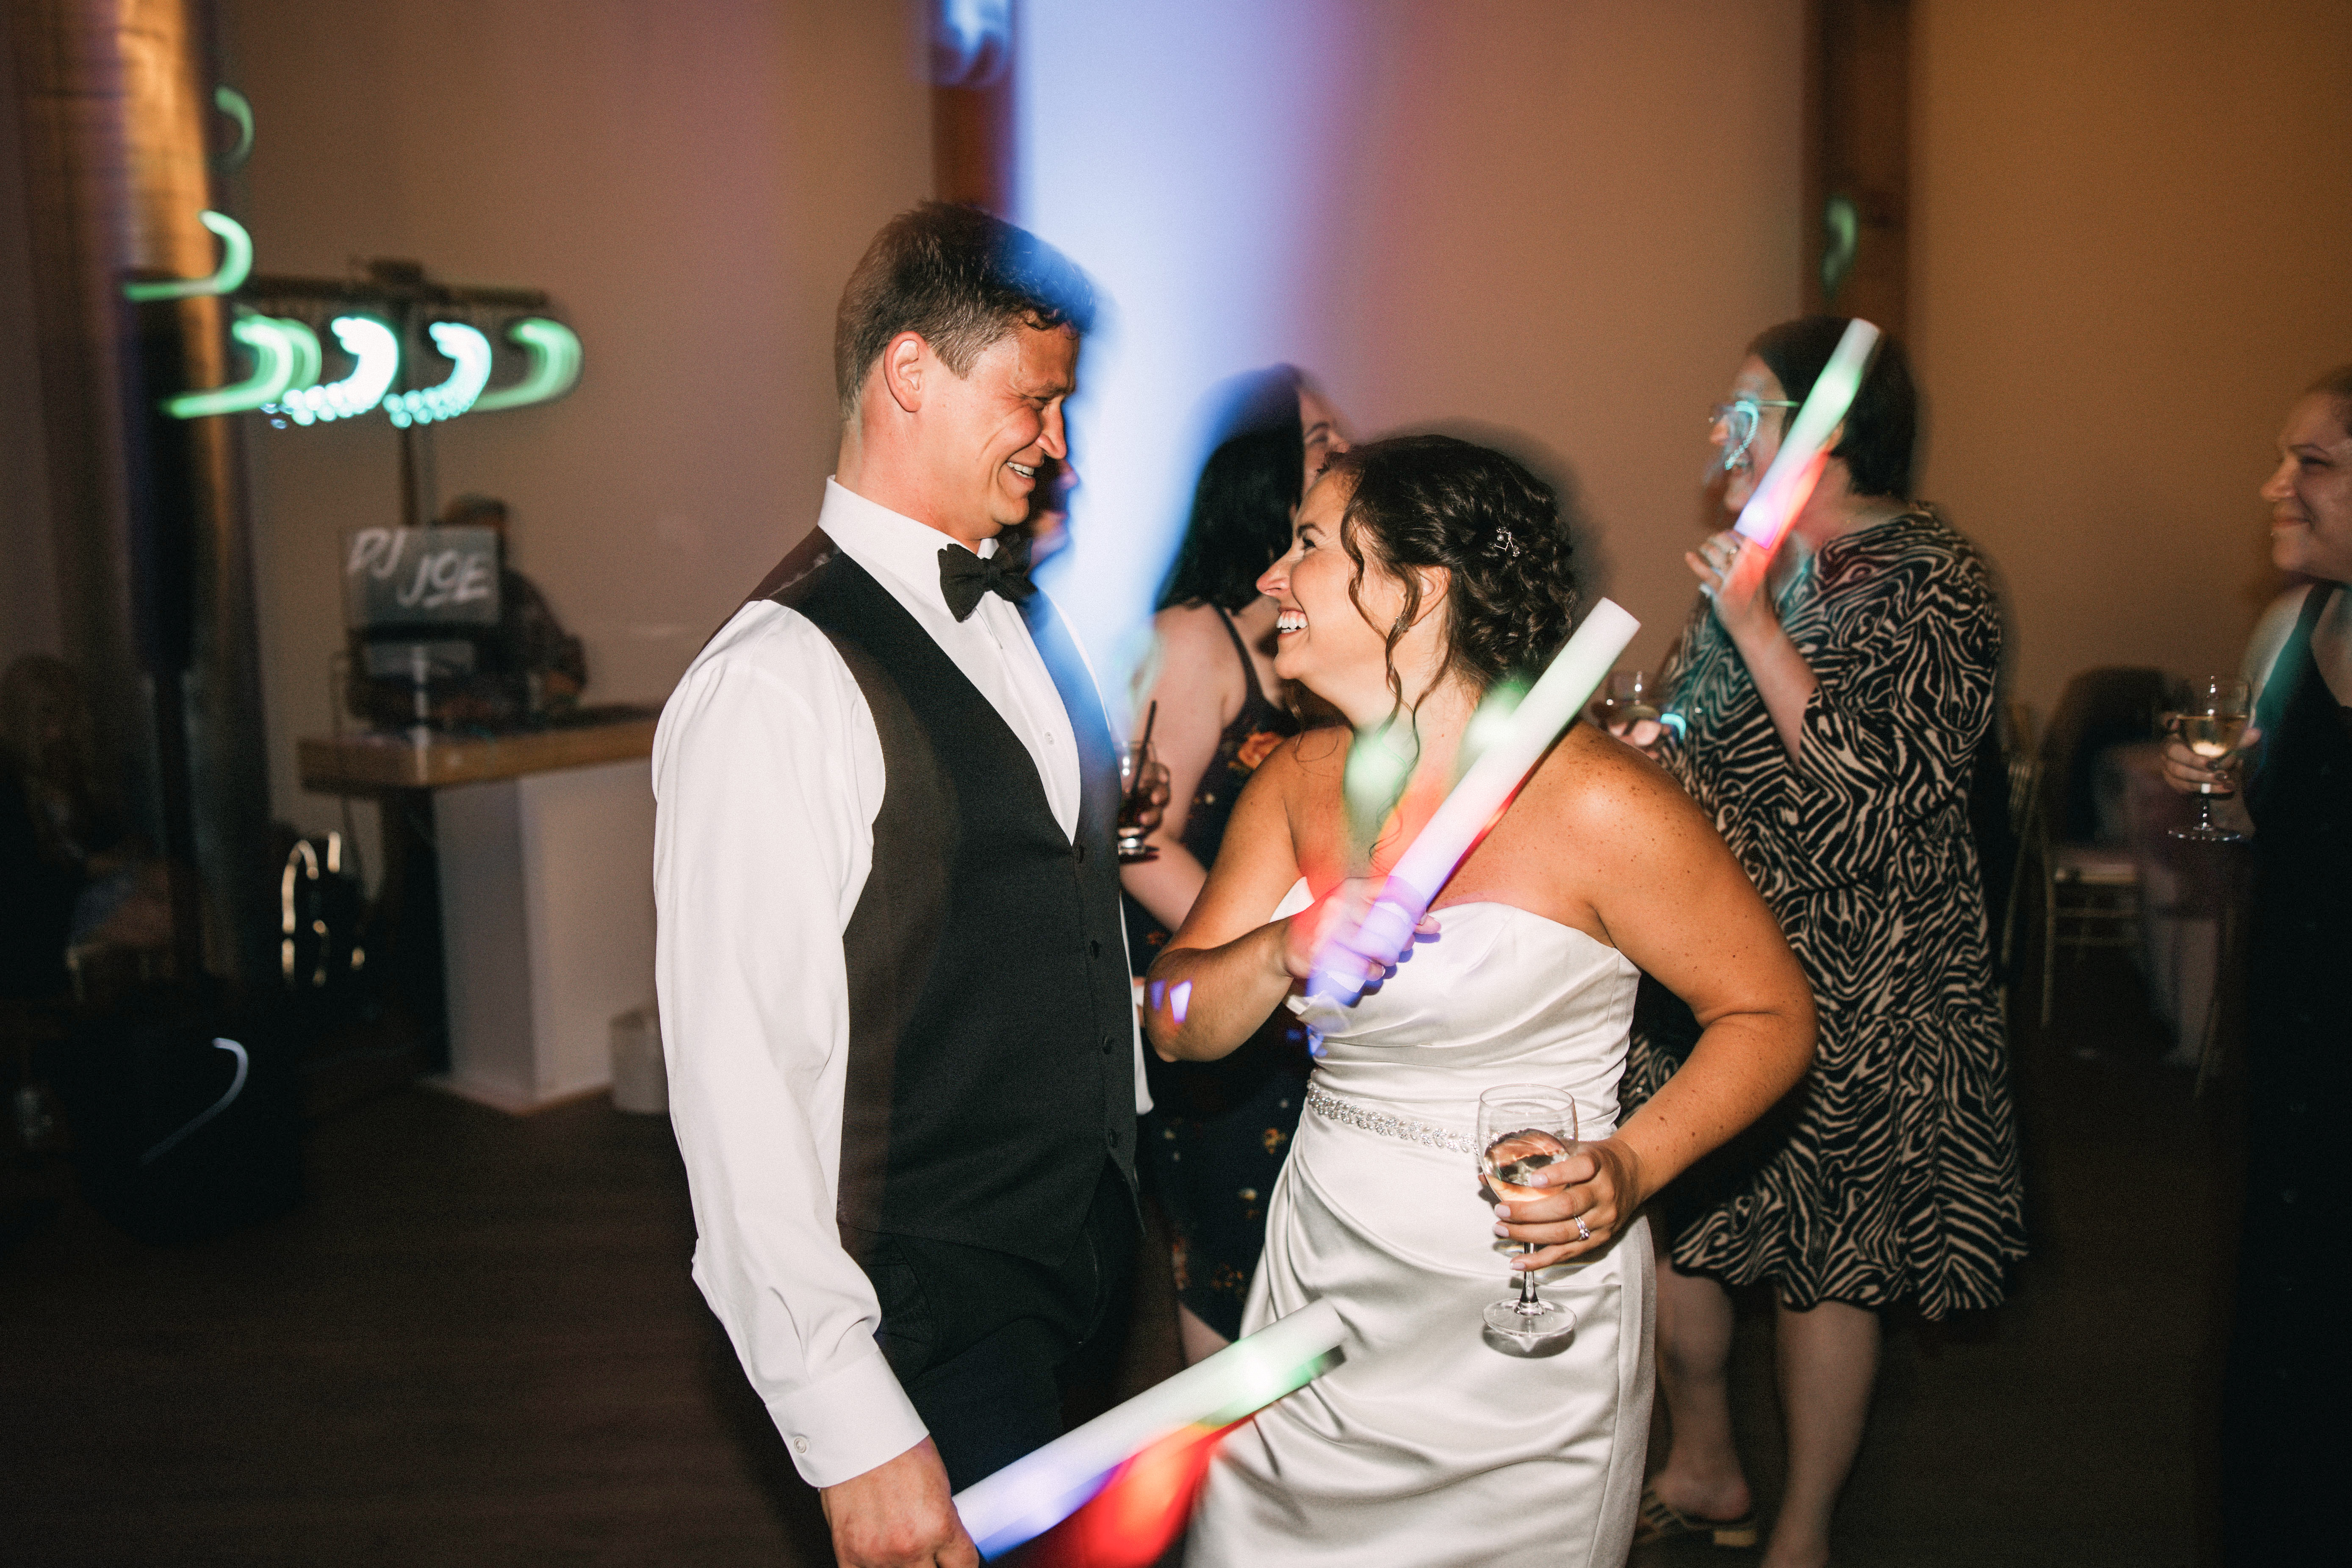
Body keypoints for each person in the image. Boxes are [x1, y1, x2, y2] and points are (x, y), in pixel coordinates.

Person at [1145, 435, 1817, 1565]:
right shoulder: (1295, 782)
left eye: (1309, 545)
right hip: (1321, 1283)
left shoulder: (1600, 803)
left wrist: (1634, 1165)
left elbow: (1767, 1013)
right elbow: (1172, 1018)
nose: (1270, 577)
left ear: (1420, 588)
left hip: (1527, 1313)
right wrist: (1277, 949)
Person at [653, 202, 1145, 1568]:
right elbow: (742, 1084)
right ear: (912, 374)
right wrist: (848, 1416)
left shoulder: (1027, 613)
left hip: (1069, 1263)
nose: (1058, 443)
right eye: (1035, 401)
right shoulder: (773, 685)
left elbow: (1050, 907)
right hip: (923, 1309)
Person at [1615, 318, 2026, 1567]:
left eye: (1747, 408)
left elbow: (1873, 796)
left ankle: (1804, 1528)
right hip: (1712, 958)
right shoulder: (1762, 565)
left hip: (1865, 974)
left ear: (1828, 432)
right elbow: (1696, 736)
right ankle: (1706, 1461)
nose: (1718, 433)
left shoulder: (1939, 580)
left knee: (1824, 1260)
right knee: (1681, 1220)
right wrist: (1647, 755)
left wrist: (1751, 624)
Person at [2160, 364, 2352, 1565]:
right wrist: (2223, 801)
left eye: (2315, 462)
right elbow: (2260, 848)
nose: (2274, 485)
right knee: (2289, 1323)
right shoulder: (2292, 629)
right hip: (2296, 1037)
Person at [1121, 366, 1348, 1363]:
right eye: (1323, 448)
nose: (1349, 461)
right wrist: (1258, 954)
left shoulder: (1301, 649)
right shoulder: (1190, 639)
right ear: (1262, 479)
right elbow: (1131, 842)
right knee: (1228, 1244)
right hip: (1206, 990)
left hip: (1283, 987)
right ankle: (1226, 1501)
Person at [347, 493, 587, 729]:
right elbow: (366, 693)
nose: (492, 551)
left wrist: (559, 698)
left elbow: (563, 659)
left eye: (500, 543)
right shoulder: (402, 597)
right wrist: (432, 712)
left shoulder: (513, 593)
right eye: (481, 540)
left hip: (503, 738)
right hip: (420, 744)